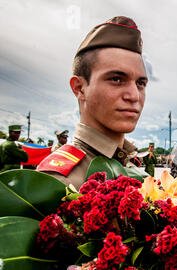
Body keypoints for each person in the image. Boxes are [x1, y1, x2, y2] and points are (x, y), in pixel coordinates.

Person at [37, 16, 148, 189]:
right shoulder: (56, 183)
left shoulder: (137, 172)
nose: (134, 96)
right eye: (117, 79)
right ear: (80, 88)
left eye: (140, 83)